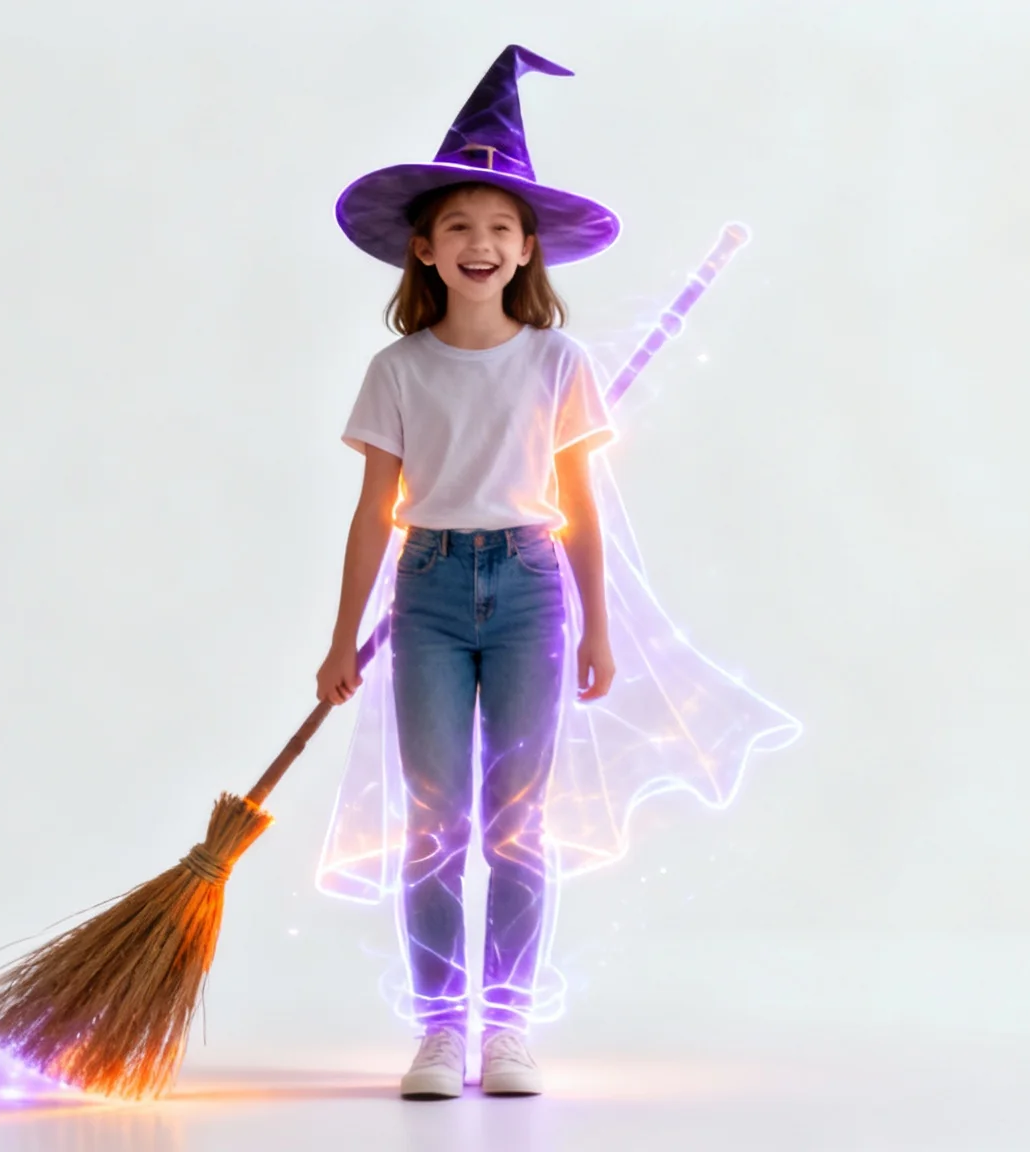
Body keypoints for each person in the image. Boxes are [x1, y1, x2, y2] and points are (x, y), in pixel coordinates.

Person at [315, 45, 624, 1101]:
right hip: (432, 594)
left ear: (527, 247)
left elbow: (583, 508)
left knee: (516, 819)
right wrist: (337, 638)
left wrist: (596, 625)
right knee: (437, 816)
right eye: (458, 227)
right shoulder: (397, 370)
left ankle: (508, 1030)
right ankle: (440, 1030)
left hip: (533, 587)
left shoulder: (557, 363)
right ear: (424, 249)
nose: (479, 243)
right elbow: (373, 512)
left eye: (499, 227)